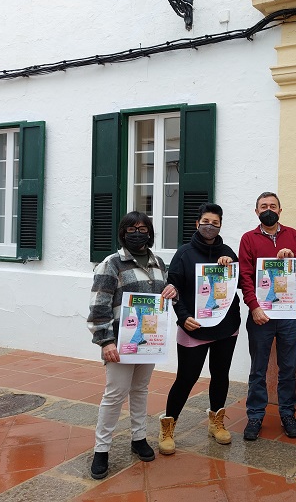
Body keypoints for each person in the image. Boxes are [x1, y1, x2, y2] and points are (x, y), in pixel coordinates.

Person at [87, 211, 176, 479]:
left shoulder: (158, 262)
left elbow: (164, 294)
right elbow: (99, 305)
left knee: (140, 390)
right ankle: (101, 450)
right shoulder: (112, 264)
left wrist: (173, 290)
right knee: (115, 395)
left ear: (150, 232)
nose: (138, 233)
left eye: (143, 228)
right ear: (123, 233)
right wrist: (105, 341)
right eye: (131, 229)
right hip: (121, 343)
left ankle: (139, 439)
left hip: (149, 341)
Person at [159, 203, 241, 453]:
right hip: (193, 327)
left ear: (220, 226)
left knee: (220, 375)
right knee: (186, 378)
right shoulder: (183, 253)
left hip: (226, 328)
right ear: (197, 224)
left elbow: (235, 284)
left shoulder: (227, 252)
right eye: (206, 221)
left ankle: (216, 422)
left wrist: (231, 265)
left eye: (215, 223)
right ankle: (168, 426)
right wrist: (183, 317)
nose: (210, 226)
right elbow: (173, 290)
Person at [238, 192, 296, 441]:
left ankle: (287, 413)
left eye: (273, 206)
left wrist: (294, 256)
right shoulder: (248, 239)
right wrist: (253, 307)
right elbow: (245, 276)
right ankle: (255, 416)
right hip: (261, 314)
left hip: (289, 313)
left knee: (288, 367)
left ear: (280, 211)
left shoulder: (292, 235)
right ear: (256, 211)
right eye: (263, 206)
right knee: (258, 369)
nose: (268, 209)